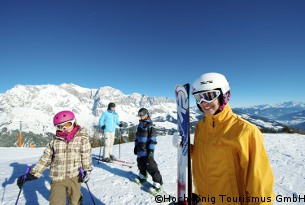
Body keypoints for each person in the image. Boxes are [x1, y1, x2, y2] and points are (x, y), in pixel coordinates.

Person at [173, 72, 275, 204]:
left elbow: (259, 182)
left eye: (209, 96)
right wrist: (184, 146)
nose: (204, 103)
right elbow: (202, 155)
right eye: (199, 98)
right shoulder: (201, 127)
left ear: (224, 95)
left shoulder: (245, 131)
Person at [16, 110, 92, 205]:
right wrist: (32, 174)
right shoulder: (54, 142)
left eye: (68, 124)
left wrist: (86, 169)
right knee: (56, 202)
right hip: (57, 178)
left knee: (75, 201)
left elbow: (86, 155)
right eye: (60, 126)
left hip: (74, 176)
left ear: (74, 122)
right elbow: (45, 159)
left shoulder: (82, 138)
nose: (64, 128)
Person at [134, 108, 163, 192]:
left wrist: (151, 151)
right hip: (140, 149)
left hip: (147, 150)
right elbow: (137, 137)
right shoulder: (140, 124)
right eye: (139, 113)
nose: (141, 115)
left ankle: (158, 183)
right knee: (140, 163)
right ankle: (142, 176)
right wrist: (136, 146)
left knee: (151, 166)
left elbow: (153, 139)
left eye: (142, 113)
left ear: (147, 114)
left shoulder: (150, 125)